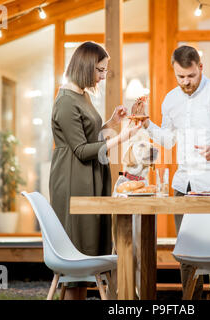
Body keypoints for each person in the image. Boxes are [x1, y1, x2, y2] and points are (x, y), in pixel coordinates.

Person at [137, 45, 210, 299]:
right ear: (174, 72)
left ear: (201, 67)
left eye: (191, 76)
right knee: (187, 254)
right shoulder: (170, 100)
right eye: (180, 77)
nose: (186, 82)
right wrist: (146, 124)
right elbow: (167, 140)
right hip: (183, 185)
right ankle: (191, 300)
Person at [49, 41, 142, 300]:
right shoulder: (66, 101)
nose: (103, 76)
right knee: (78, 258)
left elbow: (91, 137)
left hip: (90, 176)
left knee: (89, 256)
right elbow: (81, 150)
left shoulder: (82, 95)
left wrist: (112, 122)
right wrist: (122, 137)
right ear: (86, 67)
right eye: (100, 70)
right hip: (74, 181)